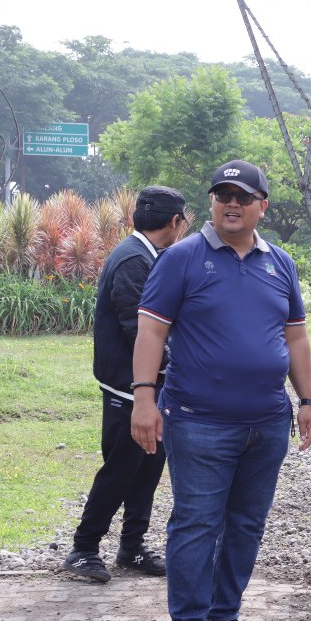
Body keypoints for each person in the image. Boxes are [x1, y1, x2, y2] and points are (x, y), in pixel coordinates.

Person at [132, 159, 311, 621]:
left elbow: (295, 335)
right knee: (197, 522)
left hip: (267, 420)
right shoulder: (182, 259)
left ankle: (223, 612)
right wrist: (144, 397)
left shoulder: (279, 263)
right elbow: (151, 332)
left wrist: (307, 399)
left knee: (246, 522)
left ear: (262, 205)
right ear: (211, 204)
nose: (231, 204)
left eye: (242, 196)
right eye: (222, 196)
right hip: (198, 420)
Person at [62, 187, 189, 583]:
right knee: (120, 469)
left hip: (151, 386)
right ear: (175, 223)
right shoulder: (134, 261)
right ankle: (83, 548)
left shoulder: (145, 257)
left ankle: (131, 547)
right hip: (128, 388)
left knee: (148, 468)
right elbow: (140, 332)